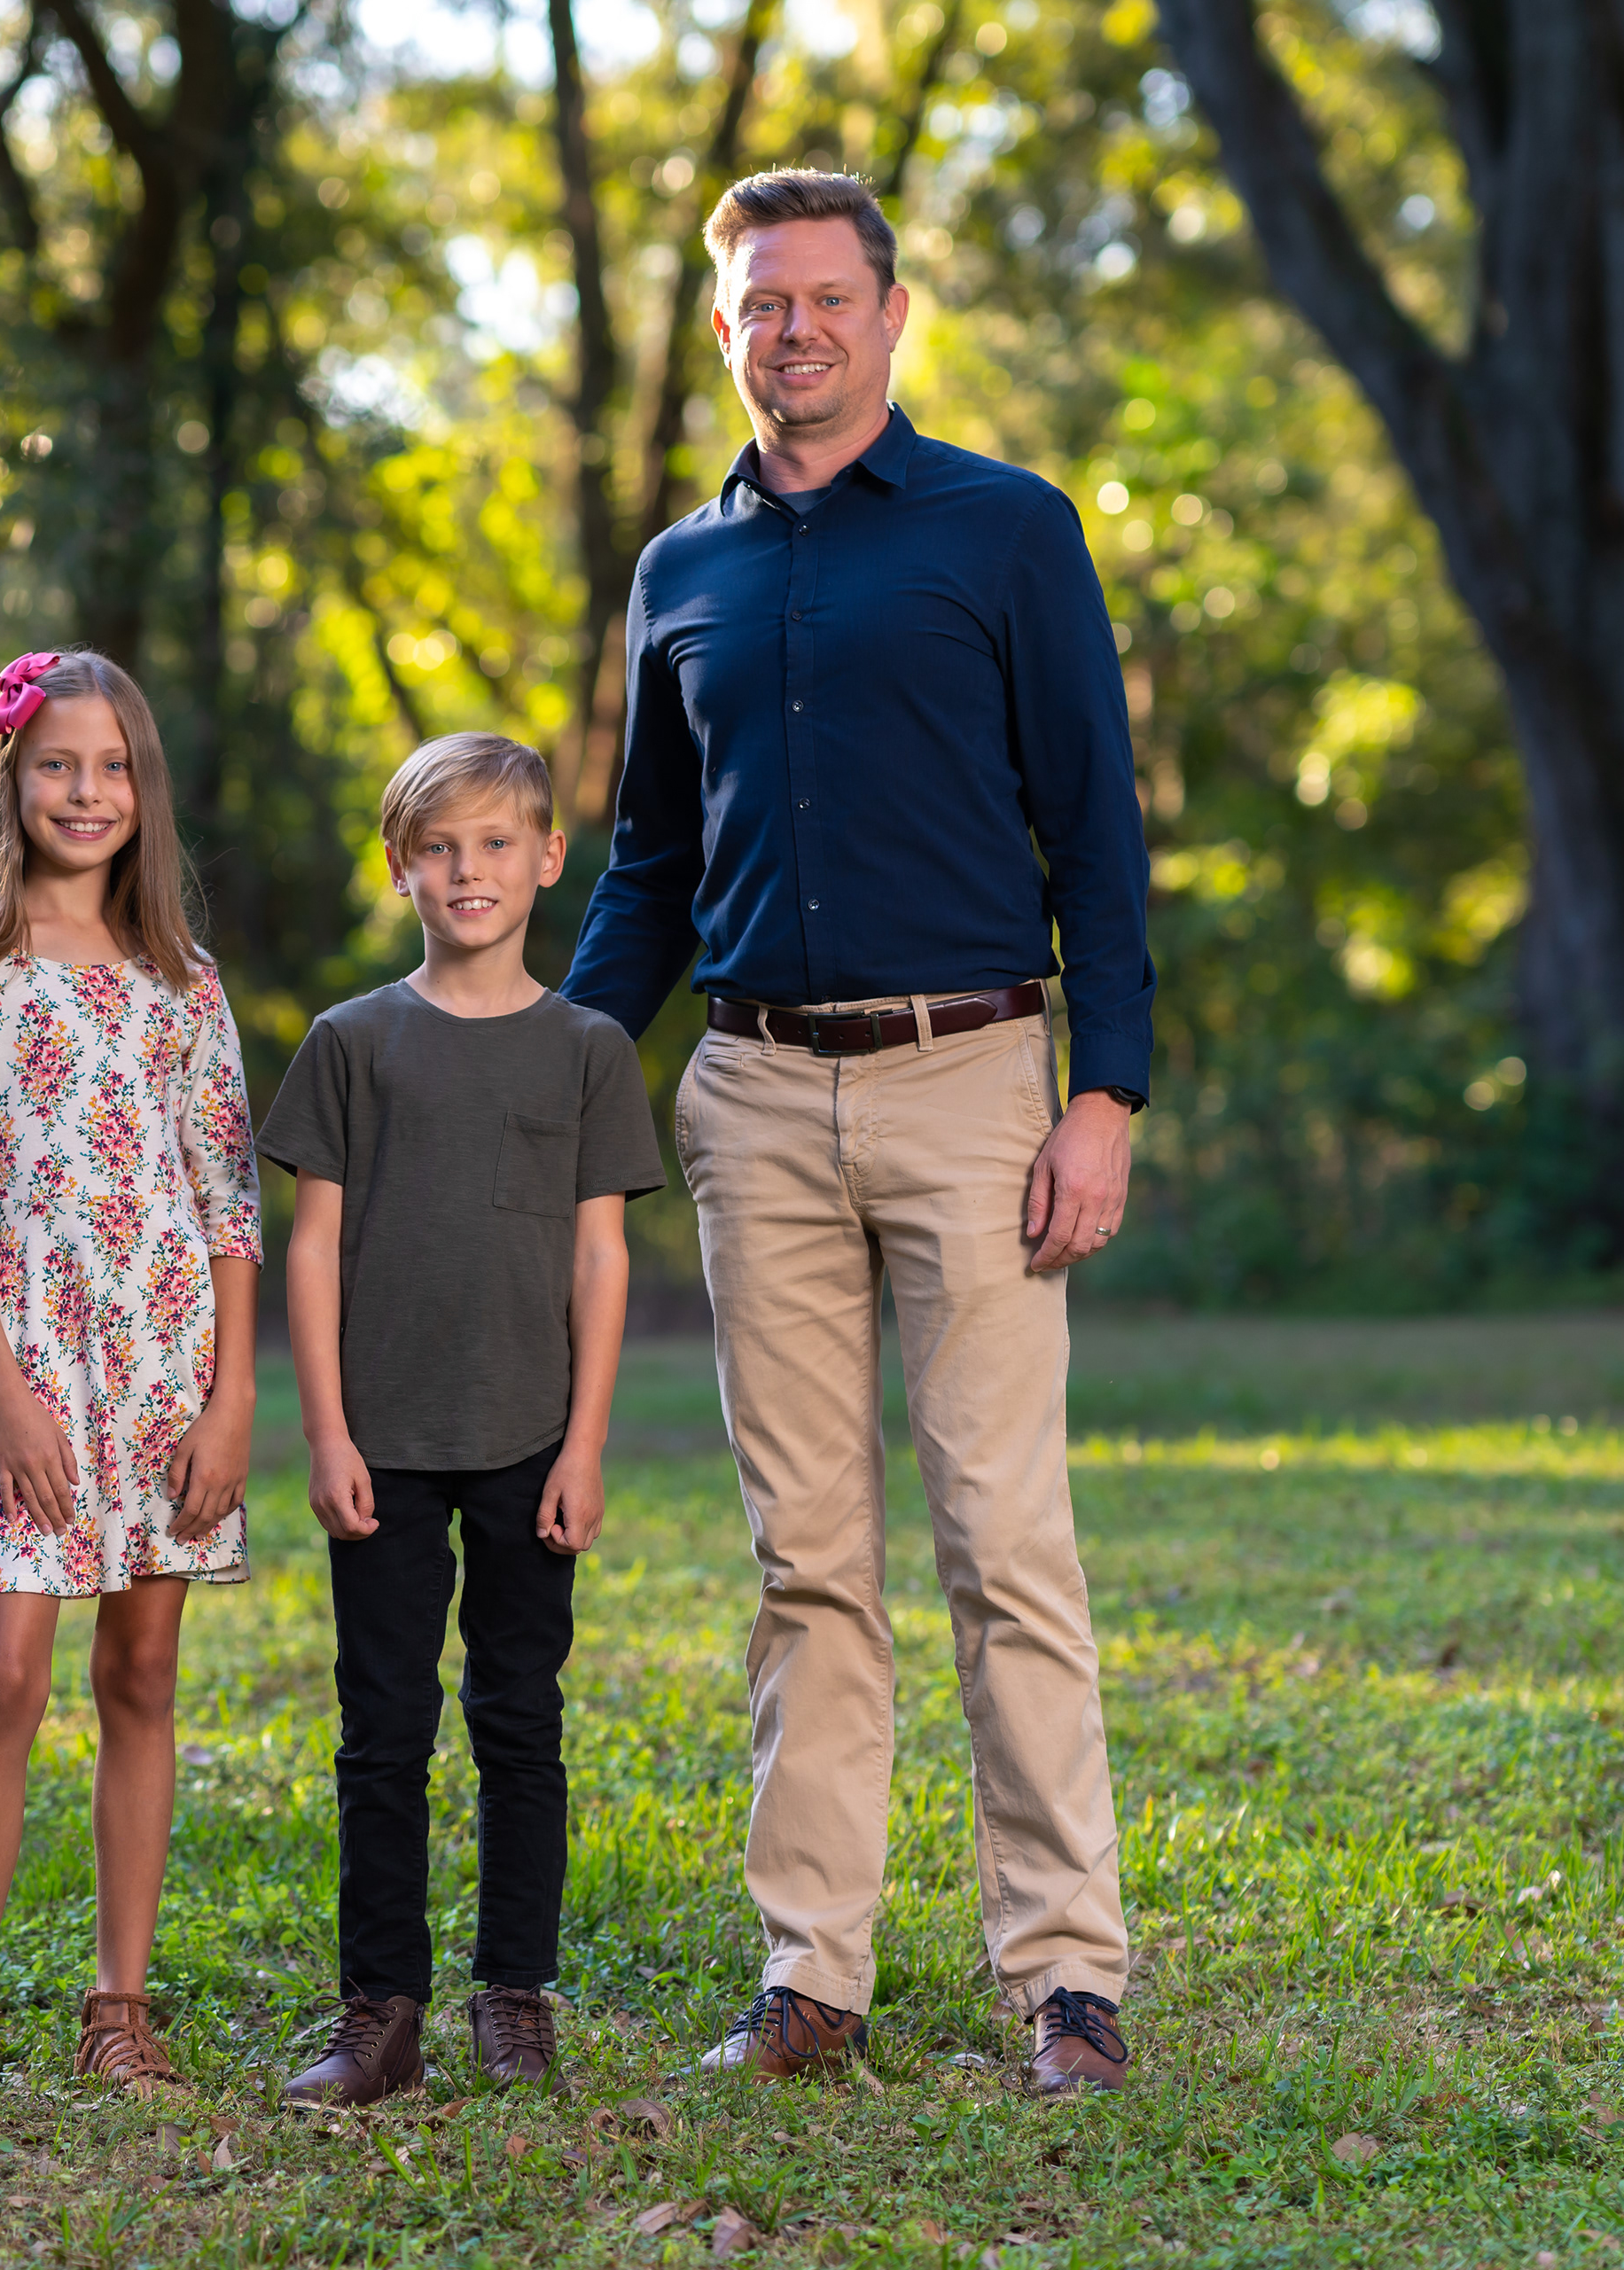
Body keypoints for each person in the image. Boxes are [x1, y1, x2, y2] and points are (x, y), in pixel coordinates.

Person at [559, 170, 1154, 2094]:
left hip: (972, 1082)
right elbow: (652, 865)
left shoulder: (1009, 529)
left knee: (1003, 1536)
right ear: (726, 328)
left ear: (892, 316)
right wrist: (549, 1074)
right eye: (763, 303)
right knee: (803, 1556)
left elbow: (1096, 829)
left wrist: (1103, 1092)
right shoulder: (682, 571)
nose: (795, 329)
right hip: (750, 1095)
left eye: (827, 296)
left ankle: (1065, 1975)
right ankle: (812, 1970)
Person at [0, 649, 264, 2109]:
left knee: (142, 1670)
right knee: (12, 1676)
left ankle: (121, 2007)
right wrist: (5, 1391)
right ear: (12, 779)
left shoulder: (184, 981)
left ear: (142, 788)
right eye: (58, 764)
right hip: (28, 1362)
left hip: (168, 1361)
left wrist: (233, 1397)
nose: (85, 791)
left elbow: (229, 1201)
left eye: (111, 766)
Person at [260, 734, 660, 2105]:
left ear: (549, 858)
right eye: (439, 847)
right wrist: (325, 1430)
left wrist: (586, 1443)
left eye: (496, 844)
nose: (468, 870)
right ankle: (381, 2012)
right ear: (400, 868)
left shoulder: (590, 1049)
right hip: (382, 1443)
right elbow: (313, 1248)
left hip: (530, 1438)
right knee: (381, 1731)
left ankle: (514, 1996)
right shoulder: (352, 1043)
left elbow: (600, 1256)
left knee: (519, 1724)